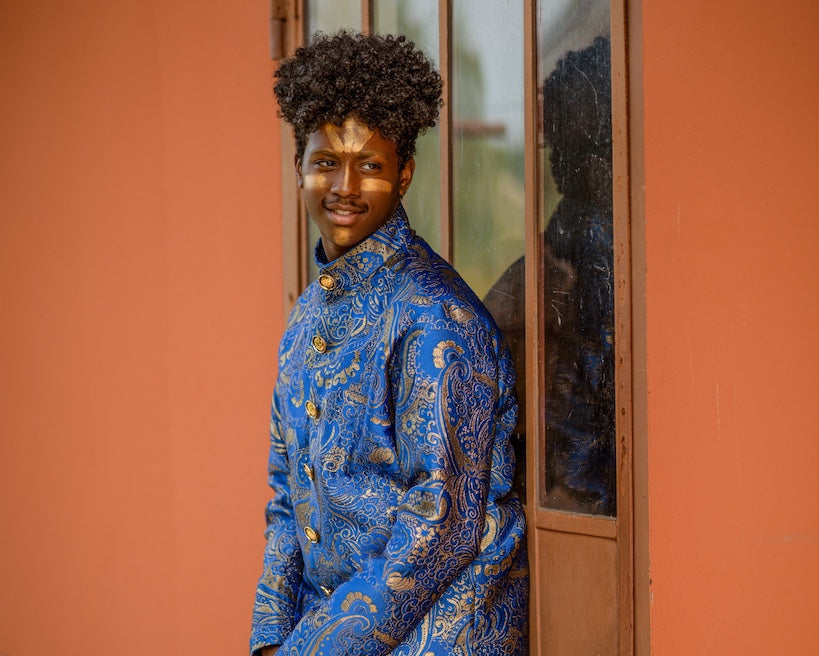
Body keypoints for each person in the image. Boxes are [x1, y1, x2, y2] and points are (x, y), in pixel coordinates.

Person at [249, 31, 529, 656]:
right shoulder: (305, 322)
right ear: (300, 167)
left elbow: (441, 526)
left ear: (403, 176)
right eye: (325, 161)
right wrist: (271, 639)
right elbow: (284, 497)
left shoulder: (438, 319)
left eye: (369, 165)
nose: (344, 186)